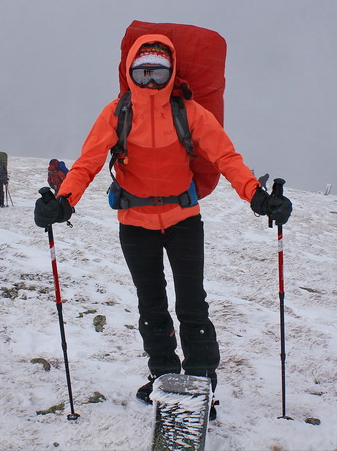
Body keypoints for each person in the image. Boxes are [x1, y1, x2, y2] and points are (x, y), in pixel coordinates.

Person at [33, 34, 292, 419]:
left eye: (159, 72)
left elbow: (226, 157)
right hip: (135, 225)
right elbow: (87, 163)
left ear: (171, 73)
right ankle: (163, 376)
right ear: (130, 72)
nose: (151, 81)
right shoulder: (116, 113)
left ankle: (201, 381)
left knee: (192, 303)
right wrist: (63, 202)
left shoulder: (189, 112)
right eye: (143, 72)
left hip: (184, 221)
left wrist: (257, 196)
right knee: (151, 304)